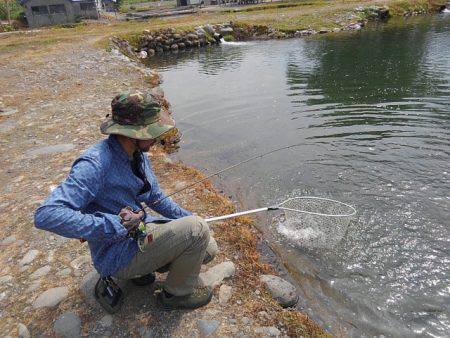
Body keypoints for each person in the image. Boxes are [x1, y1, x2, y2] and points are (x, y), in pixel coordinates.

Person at [34, 91, 214, 312]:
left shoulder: (136, 154)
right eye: (152, 131)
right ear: (132, 133)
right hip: (117, 254)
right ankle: (176, 295)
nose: (157, 138)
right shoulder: (95, 164)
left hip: (139, 234)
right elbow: (47, 214)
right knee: (197, 232)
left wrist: (189, 217)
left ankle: (144, 269)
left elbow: (156, 198)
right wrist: (113, 224)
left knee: (207, 245)